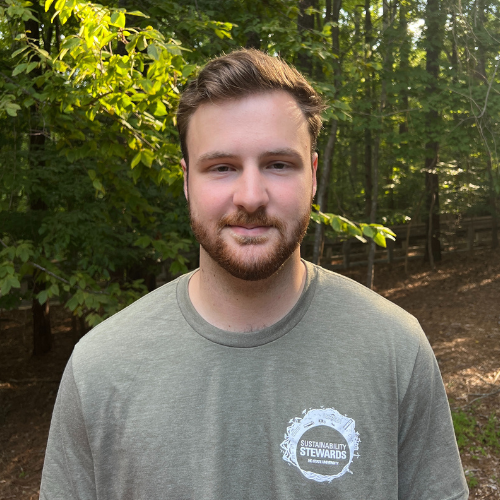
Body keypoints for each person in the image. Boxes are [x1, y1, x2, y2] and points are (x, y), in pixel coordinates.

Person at [40, 49, 468, 500]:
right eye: (222, 167)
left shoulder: (395, 350)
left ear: (314, 175)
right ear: (187, 180)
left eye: (278, 164)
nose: (250, 196)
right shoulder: (100, 368)